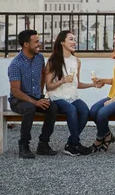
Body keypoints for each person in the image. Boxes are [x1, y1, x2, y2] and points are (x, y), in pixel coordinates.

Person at [7, 29, 58, 159]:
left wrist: (40, 95)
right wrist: (35, 102)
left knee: (52, 107)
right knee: (29, 108)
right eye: (36, 42)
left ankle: (43, 145)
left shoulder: (39, 58)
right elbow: (15, 91)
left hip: (36, 97)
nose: (39, 44)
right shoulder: (15, 64)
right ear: (26, 44)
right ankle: (23, 145)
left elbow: (42, 76)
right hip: (18, 100)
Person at [44, 30, 96, 156]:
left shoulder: (76, 61)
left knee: (85, 111)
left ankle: (71, 144)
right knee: (72, 110)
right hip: (57, 96)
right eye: (71, 39)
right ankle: (76, 144)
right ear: (62, 42)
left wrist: (93, 84)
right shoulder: (52, 61)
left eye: (74, 39)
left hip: (72, 96)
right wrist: (62, 81)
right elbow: (48, 86)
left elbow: (77, 84)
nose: (74, 42)